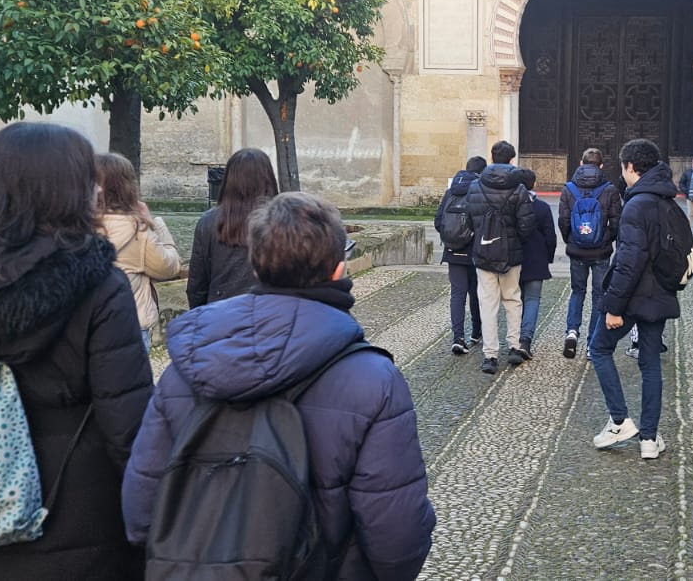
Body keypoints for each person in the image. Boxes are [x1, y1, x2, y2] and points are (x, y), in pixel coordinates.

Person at [123, 192, 435, 578]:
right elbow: (396, 534)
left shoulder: (186, 368)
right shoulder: (373, 380)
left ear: (255, 266)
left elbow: (141, 511)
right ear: (339, 269)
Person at [0, 122, 152, 580]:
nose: (96, 192)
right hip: (82, 524)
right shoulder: (99, 285)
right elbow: (129, 427)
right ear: (68, 191)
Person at [592, 138, 683, 460]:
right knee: (650, 363)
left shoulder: (636, 205)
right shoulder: (668, 202)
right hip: (660, 296)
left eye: (623, 167)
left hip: (633, 297)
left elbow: (629, 261)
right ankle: (649, 438)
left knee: (599, 348)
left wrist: (613, 307)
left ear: (630, 166)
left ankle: (619, 421)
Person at [96, 153, 183, 351]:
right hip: (128, 324)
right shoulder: (136, 231)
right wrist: (155, 224)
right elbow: (169, 267)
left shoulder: (76, 226)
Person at [465, 140, 536, 375]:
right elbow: (527, 224)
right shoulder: (519, 188)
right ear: (512, 159)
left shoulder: (475, 186)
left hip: (483, 252)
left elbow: (469, 220)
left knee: (488, 303)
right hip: (511, 254)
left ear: (492, 157)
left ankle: (490, 355)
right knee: (513, 299)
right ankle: (514, 345)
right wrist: (515, 240)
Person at [187, 148, 278, 309]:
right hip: (271, 312)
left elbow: (197, 285)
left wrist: (201, 314)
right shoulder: (280, 220)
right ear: (268, 178)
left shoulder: (208, 222)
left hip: (221, 312)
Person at [558, 147, 623, 359]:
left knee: (577, 291)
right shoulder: (610, 190)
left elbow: (563, 220)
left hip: (577, 250)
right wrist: (607, 238)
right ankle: (592, 342)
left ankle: (572, 331)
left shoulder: (569, 189)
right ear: (601, 165)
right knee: (598, 295)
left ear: (581, 163)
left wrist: (570, 239)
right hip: (600, 252)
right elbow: (616, 221)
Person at [436, 156, 486, 355]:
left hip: (452, 250)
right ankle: (476, 332)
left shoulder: (451, 191)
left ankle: (458, 337)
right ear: (481, 172)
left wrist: (452, 238)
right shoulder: (479, 190)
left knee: (457, 294)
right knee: (476, 292)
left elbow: (438, 220)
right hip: (474, 250)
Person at [511, 167, 556, 364]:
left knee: (514, 300)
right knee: (532, 299)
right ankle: (525, 340)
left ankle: (513, 340)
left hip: (513, 259)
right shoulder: (542, 208)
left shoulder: (509, 206)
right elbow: (550, 236)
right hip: (536, 259)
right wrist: (548, 257)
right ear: (534, 184)